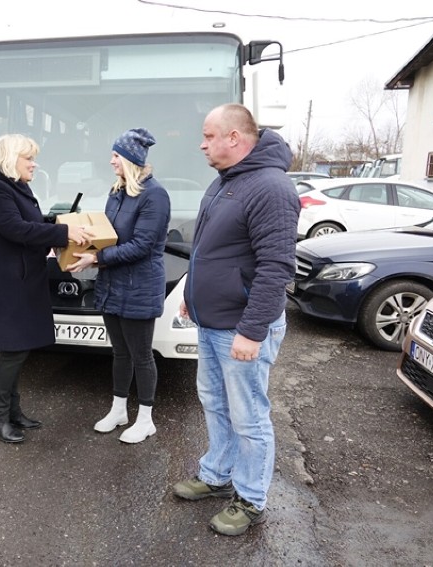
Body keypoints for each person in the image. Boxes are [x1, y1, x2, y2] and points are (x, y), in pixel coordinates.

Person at [172, 103, 300, 535]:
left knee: (249, 414)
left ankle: (250, 498)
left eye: (209, 135)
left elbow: (276, 267)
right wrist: (192, 294)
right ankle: (217, 475)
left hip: (241, 328)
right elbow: (211, 250)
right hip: (212, 321)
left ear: (235, 138)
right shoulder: (224, 182)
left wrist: (252, 330)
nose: (202, 143)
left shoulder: (270, 187)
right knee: (215, 402)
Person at [0, 134, 92, 443]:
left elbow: (31, 221)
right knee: (13, 348)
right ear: (10, 159)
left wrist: (58, 222)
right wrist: (62, 232)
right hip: (4, 283)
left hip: (20, 280)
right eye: (29, 158)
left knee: (19, 346)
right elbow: (17, 229)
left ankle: (13, 411)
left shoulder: (14, 187)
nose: (35, 164)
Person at [67, 128, 171, 444]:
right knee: (120, 353)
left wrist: (95, 260)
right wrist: (83, 233)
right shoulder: (117, 191)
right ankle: (119, 410)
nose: (111, 161)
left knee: (141, 355)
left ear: (130, 159)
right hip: (113, 285)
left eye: (116, 155)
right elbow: (109, 233)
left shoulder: (155, 195)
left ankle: (146, 419)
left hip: (139, 286)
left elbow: (141, 246)